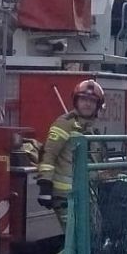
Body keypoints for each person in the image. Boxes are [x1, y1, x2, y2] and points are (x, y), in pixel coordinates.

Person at [37, 78, 105, 211]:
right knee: (76, 232)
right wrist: (45, 185)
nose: (87, 104)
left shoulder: (92, 131)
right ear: (76, 101)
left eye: (92, 101)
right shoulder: (65, 123)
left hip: (87, 196)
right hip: (65, 198)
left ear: (98, 106)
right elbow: (49, 154)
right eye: (83, 99)